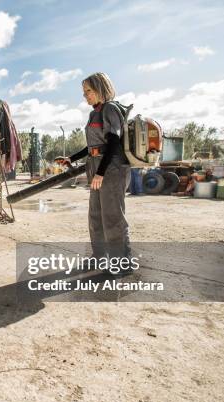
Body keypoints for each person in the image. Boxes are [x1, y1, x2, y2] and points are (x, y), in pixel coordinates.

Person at [60, 73, 131, 271]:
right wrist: (71, 158)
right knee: (96, 215)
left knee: (113, 217)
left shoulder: (110, 109)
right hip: (97, 167)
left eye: (88, 91)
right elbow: (92, 146)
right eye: (84, 92)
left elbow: (114, 143)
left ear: (101, 88)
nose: (85, 96)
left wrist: (101, 173)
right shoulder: (94, 113)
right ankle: (100, 257)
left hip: (111, 170)